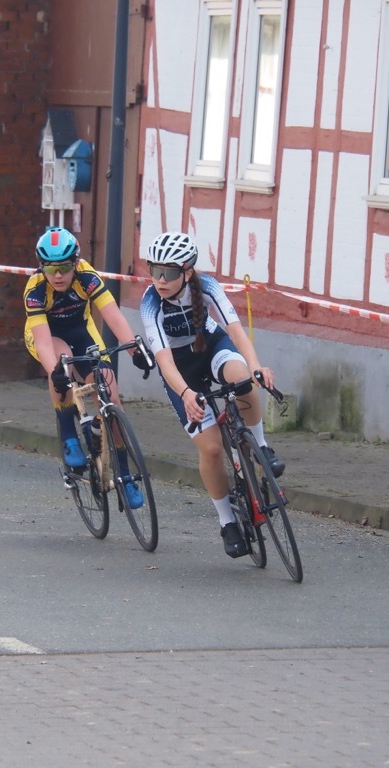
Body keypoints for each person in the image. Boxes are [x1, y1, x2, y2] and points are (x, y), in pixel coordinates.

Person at [139, 231, 285, 559]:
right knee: (212, 449)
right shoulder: (150, 304)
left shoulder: (207, 286)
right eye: (155, 270)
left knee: (242, 379)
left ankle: (261, 445)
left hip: (210, 346)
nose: (160, 280)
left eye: (169, 273)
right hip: (181, 370)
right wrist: (186, 393)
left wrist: (256, 367)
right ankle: (227, 521)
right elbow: (164, 362)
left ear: (187, 272)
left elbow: (235, 331)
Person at [24, 226, 154, 508]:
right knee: (62, 362)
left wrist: (134, 350)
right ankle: (69, 436)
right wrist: (55, 371)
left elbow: (113, 316)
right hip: (46, 337)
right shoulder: (35, 289)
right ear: (42, 267)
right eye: (51, 268)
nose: (58, 275)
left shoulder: (87, 276)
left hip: (81, 332)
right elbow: (43, 343)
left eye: (64, 267)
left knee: (111, 395)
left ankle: (125, 475)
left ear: (76, 263)